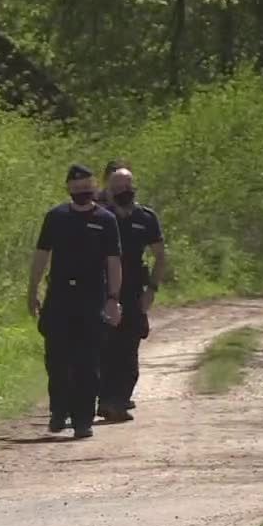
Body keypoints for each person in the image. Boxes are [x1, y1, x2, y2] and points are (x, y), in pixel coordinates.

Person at [28, 164, 124, 439]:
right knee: (57, 359)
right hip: (59, 296)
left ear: (94, 187)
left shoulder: (106, 220)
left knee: (88, 361)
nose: (83, 191)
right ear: (68, 188)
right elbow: (41, 255)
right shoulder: (56, 217)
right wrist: (33, 289)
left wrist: (113, 298)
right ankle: (59, 411)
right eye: (77, 187)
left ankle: (83, 419)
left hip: (92, 297)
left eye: (87, 187)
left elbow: (114, 262)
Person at [97, 164, 166, 422]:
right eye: (116, 187)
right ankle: (105, 398)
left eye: (126, 186)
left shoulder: (146, 218)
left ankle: (118, 399)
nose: (122, 191)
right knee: (103, 346)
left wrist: (152, 289)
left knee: (129, 346)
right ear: (108, 189)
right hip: (103, 289)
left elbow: (160, 256)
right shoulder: (100, 216)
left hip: (135, 290)